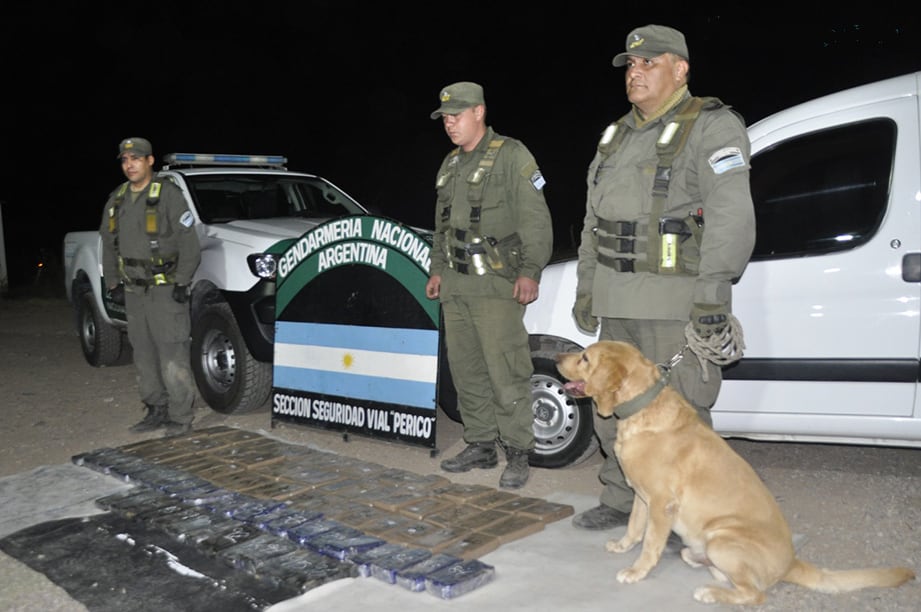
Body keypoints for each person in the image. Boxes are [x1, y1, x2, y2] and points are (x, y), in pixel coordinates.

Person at [571, 25, 756, 529]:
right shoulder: (615, 137)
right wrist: (587, 285)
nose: (636, 72)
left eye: (649, 63)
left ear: (681, 69)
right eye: (631, 65)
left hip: (675, 303)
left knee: (682, 415)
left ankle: (688, 514)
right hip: (617, 301)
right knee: (613, 407)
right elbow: (595, 221)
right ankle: (620, 497)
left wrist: (713, 295)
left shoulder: (712, 127)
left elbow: (731, 216)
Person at [426, 82, 553, 489]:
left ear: (479, 112)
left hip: (497, 285)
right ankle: (480, 442)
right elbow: (441, 228)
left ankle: (518, 450)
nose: (450, 124)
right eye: (445, 117)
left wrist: (531, 270)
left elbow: (536, 218)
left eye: (456, 115)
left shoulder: (512, 155)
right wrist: (437, 269)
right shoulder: (449, 165)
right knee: (467, 372)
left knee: (506, 371)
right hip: (458, 287)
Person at [99, 137, 202, 438]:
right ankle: (155, 410)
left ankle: (180, 417)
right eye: (124, 159)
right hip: (133, 291)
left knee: (172, 352)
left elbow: (189, 244)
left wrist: (182, 281)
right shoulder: (117, 199)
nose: (129, 164)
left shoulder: (168, 195)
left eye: (136, 158)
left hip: (165, 289)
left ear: (150, 161)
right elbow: (108, 243)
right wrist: (113, 282)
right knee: (142, 353)